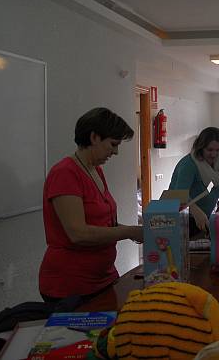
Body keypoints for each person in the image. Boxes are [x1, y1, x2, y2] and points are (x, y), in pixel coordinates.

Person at [39, 108, 143, 302]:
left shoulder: (96, 171)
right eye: (113, 144)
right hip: (71, 286)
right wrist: (129, 231)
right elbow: (78, 234)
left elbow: (104, 225)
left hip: (103, 278)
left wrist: (136, 231)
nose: (116, 152)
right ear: (94, 137)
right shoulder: (65, 173)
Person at [169, 127, 219, 235]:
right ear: (201, 148)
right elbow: (179, 195)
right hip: (180, 219)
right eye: (209, 150)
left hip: (203, 219)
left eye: (218, 150)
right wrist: (196, 211)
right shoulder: (189, 164)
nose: (214, 154)